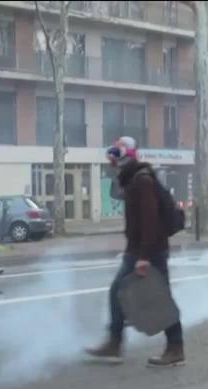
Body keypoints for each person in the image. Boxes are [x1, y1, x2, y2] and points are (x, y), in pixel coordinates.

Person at [85, 136, 185, 368]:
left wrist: (143, 257)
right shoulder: (133, 179)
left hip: (149, 250)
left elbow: (150, 221)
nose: (114, 161)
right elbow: (119, 193)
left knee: (158, 298)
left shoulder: (142, 181)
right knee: (120, 292)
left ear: (128, 156)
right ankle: (115, 343)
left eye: (117, 155)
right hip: (140, 249)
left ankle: (174, 348)